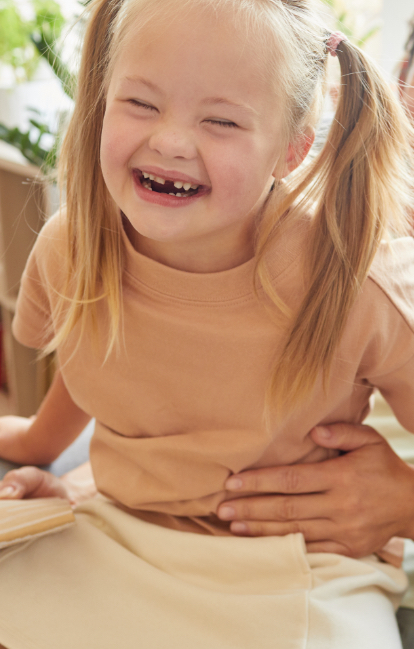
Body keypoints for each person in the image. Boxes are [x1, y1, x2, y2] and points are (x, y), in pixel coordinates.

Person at [0, 0, 413, 646]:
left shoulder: (354, 283)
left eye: (221, 120)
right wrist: (36, 447)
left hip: (301, 564)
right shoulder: (71, 247)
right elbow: (97, 361)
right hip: (120, 527)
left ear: (293, 148)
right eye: (141, 103)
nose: (170, 141)